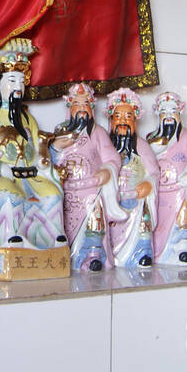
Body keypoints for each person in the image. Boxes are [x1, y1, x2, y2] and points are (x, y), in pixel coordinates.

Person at [0, 38, 65, 250]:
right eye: (11, 80)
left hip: (29, 175)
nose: (17, 87)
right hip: (2, 174)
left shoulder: (28, 120)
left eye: (20, 81)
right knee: (10, 195)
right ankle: (8, 238)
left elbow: (36, 150)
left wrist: (43, 160)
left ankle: (51, 239)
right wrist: (0, 166)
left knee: (52, 194)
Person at [50, 83, 120, 272]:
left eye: (86, 105)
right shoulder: (60, 132)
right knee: (66, 227)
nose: (82, 109)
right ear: (70, 108)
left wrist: (107, 171)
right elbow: (50, 161)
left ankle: (94, 256)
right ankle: (71, 258)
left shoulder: (98, 133)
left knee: (94, 224)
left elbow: (112, 158)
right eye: (77, 105)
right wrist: (55, 147)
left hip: (92, 191)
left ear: (92, 108)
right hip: (68, 190)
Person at [145, 91, 187, 265]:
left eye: (173, 111)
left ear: (179, 113)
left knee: (183, 221)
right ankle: (159, 251)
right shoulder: (150, 139)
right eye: (164, 111)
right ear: (158, 114)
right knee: (157, 224)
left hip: (180, 192)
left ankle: (183, 249)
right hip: (160, 192)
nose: (169, 116)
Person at [104, 89, 158, 268]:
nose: (122, 122)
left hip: (135, 202)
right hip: (112, 201)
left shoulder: (141, 146)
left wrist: (148, 184)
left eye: (128, 117)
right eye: (118, 117)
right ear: (111, 120)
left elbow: (154, 173)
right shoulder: (105, 144)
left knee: (142, 219)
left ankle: (140, 253)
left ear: (135, 121)